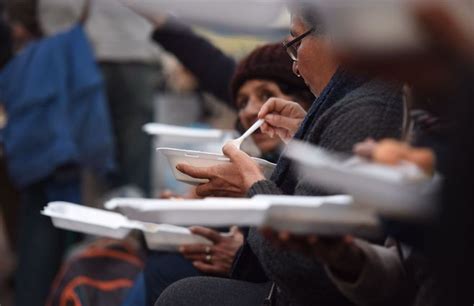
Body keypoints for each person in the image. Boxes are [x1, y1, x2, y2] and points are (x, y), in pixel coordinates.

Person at [155, 3, 404, 306]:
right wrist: (307, 136)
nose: (296, 67)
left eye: (295, 44)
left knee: (176, 292)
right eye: (243, 99)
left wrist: (253, 187)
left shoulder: (364, 113)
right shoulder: (364, 102)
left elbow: (304, 271)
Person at [124, 42, 314, 306]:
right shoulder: (255, 162)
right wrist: (183, 212)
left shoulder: (310, 163)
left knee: (166, 273)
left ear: (303, 101)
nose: (250, 111)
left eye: (266, 95)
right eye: (243, 101)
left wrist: (241, 254)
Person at [0, 1, 115, 305]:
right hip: (57, 156)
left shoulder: (39, 54)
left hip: (43, 151)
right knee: (48, 229)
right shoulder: (63, 48)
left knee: (39, 225)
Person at [40, 0, 164, 196]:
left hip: (91, 53)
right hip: (139, 51)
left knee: (94, 153)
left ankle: (100, 218)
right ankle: (136, 220)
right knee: (136, 159)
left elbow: (61, 8)